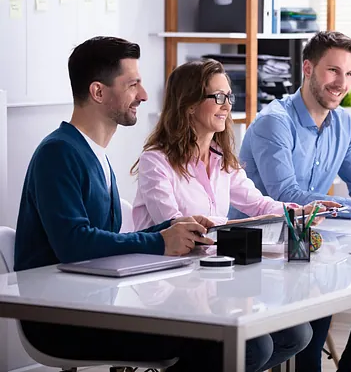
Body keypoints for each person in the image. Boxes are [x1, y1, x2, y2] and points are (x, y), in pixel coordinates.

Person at [15, 36, 241, 372]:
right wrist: (159, 239)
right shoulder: (59, 153)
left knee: (223, 336)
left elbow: (101, 241)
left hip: (97, 303)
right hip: (60, 319)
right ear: (98, 92)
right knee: (212, 341)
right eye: (133, 84)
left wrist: (171, 228)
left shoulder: (96, 156)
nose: (145, 95)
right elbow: (75, 244)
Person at [130, 58, 339, 371]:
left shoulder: (219, 158)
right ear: (188, 105)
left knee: (297, 334)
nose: (226, 105)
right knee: (256, 347)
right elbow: (179, 227)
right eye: (218, 97)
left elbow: (258, 203)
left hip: (214, 278)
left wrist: (298, 212)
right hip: (170, 285)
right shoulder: (155, 162)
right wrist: (234, 226)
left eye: (229, 96)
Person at [236, 30, 351, 372]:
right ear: (308, 68)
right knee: (319, 289)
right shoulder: (275, 122)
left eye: (348, 74)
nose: (341, 83)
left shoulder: (343, 123)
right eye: (333, 71)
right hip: (261, 247)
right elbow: (286, 195)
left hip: (308, 242)